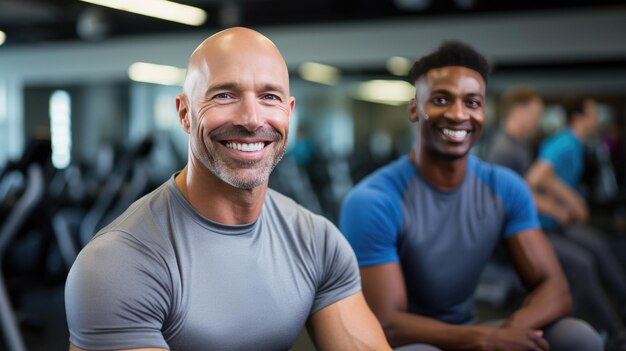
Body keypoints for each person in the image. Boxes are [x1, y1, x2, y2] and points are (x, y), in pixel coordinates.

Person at [65, 27, 391, 351]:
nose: (251, 119)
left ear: (289, 113)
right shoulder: (119, 263)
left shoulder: (318, 241)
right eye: (224, 95)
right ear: (184, 113)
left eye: (269, 97)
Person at [340, 41, 603, 351]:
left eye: (472, 102)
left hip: (475, 332)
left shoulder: (504, 187)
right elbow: (387, 322)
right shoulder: (372, 200)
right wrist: (487, 339)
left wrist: (509, 332)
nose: (458, 114)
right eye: (440, 99)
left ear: (483, 112)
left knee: (576, 336)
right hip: (413, 342)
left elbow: (555, 288)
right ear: (414, 108)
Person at [525, 98, 626, 349]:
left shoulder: (578, 144)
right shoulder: (564, 143)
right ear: (578, 118)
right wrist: (565, 204)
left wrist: (570, 203)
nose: (598, 119)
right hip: (542, 227)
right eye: (593, 114)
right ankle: (615, 332)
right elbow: (534, 179)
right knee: (584, 263)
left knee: (601, 248)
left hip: (557, 225)